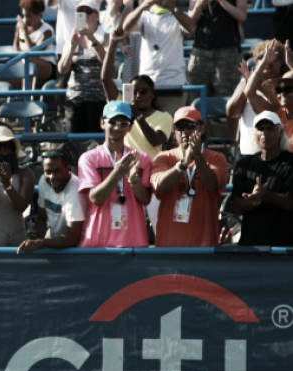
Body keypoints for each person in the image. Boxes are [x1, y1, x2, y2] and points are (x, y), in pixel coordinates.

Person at [101, 29, 173, 231]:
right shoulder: (121, 110)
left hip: (152, 177)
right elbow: (105, 79)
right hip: (126, 175)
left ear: (152, 93)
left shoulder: (163, 116)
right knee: (127, 227)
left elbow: (155, 140)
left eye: (144, 91)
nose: (139, 95)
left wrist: (137, 115)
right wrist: (113, 46)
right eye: (134, 91)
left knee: (160, 228)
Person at [150, 107, 228, 247]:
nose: (185, 131)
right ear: (174, 131)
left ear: (202, 129)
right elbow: (159, 187)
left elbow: (213, 186)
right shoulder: (163, 158)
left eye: (191, 126)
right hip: (169, 246)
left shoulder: (217, 158)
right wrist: (183, 163)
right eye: (180, 127)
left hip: (204, 246)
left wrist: (198, 157)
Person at [78, 100, 152, 247]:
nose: (117, 127)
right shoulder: (88, 158)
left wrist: (134, 179)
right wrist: (117, 173)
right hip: (99, 242)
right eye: (112, 121)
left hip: (133, 241)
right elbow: (95, 198)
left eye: (123, 123)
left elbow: (145, 199)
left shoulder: (142, 158)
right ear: (102, 123)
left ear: (130, 127)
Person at [121, 0, 196, 115]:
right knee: (145, 129)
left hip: (173, 84)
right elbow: (126, 26)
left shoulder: (178, 15)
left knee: (171, 130)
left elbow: (191, 28)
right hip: (146, 86)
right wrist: (144, 5)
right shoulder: (144, 15)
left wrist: (172, 8)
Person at [231, 111, 293, 246]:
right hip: (251, 246)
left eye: (270, 128)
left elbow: (290, 202)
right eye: (260, 129)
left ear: (281, 132)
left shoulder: (291, 163)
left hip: (284, 248)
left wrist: (264, 195)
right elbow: (236, 204)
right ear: (255, 134)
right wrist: (254, 203)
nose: (265, 133)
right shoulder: (243, 165)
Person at [17, 150, 88, 253]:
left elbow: (73, 238)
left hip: (79, 252)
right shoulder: (43, 181)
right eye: (48, 172)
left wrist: (41, 242)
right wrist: (35, 237)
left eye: (57, 171)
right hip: (57, 247)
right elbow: (41, 218)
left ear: (68, 168)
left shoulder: (75, 191)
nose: (52, 176)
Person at [228, 40, 286, 156]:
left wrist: (254, 84)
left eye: (274, 56)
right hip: (248, 153)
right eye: (262, 56)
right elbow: (232, 112)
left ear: (281, 62)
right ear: (256, 62)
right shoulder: (245, 82)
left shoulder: (286, 84)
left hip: (278, 155)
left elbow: (274, 112)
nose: (268, 60)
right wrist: (247, 83)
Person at [58, 0, 106, 134]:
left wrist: (93, 40)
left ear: (97, 15)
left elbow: (108, 63)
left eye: (88, 12)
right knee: (74, 144)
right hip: (75, 99)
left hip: (98, 99)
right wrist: (72, 46)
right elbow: (62, 69)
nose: (84, 16)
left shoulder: (104, 37)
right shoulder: (72, 39)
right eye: (80, 13)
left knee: (96, 143)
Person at [187, 0, 246, 98]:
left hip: (228, 52)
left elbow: (242, 16)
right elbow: (189, 23)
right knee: (196, 101)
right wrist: (200, 5)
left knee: (228, 101)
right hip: (200, 52)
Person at [244, 40, 293, 143]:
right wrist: (264, 61)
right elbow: (249, 93)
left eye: (288, 89)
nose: (282, 94)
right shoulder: (277, 115)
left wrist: (291, 64)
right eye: (279, 90)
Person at [13, 0, 55, 86]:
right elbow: (16, 44)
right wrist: (19, 59)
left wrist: (25, 33)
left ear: (39, 15)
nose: (25, 20)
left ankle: (26, 97)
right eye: (23, 15)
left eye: (29, 16)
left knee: (30, 62)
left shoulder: (47, 31)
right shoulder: (19, 25)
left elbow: (34, 54)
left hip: (47, 68)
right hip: (23, 64)